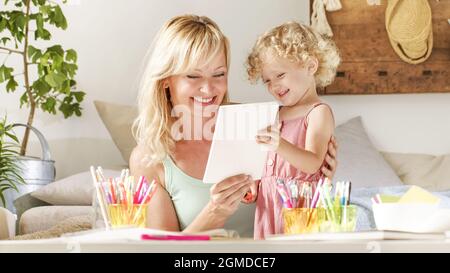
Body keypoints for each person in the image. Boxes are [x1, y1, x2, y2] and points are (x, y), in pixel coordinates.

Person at [129, 15, 338, 238]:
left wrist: (313, 179)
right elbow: (161, 252)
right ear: (166, 81)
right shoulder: (148, 159)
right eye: (193, 76)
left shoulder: (254, 122)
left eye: (218, 74)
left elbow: (297, 179)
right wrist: (215, 213)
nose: (208, 89)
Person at [246, 21, 341, 239]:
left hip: (301, 208)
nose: (273, 86)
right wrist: (255, 184)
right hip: (268, 206)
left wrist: (279, 144)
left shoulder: (318, 112)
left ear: (310, 66)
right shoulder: (273, 114)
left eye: (280, 75)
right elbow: (268, 165)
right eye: (267, 81)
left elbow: (313, 162)